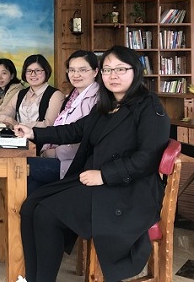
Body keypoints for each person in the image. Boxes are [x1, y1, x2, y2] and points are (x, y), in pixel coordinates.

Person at [14, 45, 170, 282]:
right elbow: (74, 130)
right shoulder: (106, 106)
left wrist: (104, 175)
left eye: (120, 69)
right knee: (30, 207)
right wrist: (33, 133)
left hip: (128, 190)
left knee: (46, 215)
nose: (113, 75)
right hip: (98, 182)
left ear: (135, 71)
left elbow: (147, 158)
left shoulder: (149, 106)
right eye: (107, 70)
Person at [26, 50, 100, 194]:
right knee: (29, 181)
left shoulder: (97, 99)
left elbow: (83, 138)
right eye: (72, 70)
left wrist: (55, 153)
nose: (76, 75)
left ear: (95, 71)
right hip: (56, 156)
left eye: (82, 70)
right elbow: (59, 127)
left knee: (22, 167)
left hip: (74, 164)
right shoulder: (72, 96)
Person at [0, 54, 64, 139]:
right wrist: (8, 120)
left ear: (46, 71)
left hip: (42, 141)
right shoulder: (20, 94)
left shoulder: (56, 95)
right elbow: (2, 114)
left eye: (38, 71)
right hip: (19, 140)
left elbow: (49, 124)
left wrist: (18, 125)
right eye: (29, 71)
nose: (33, 74)